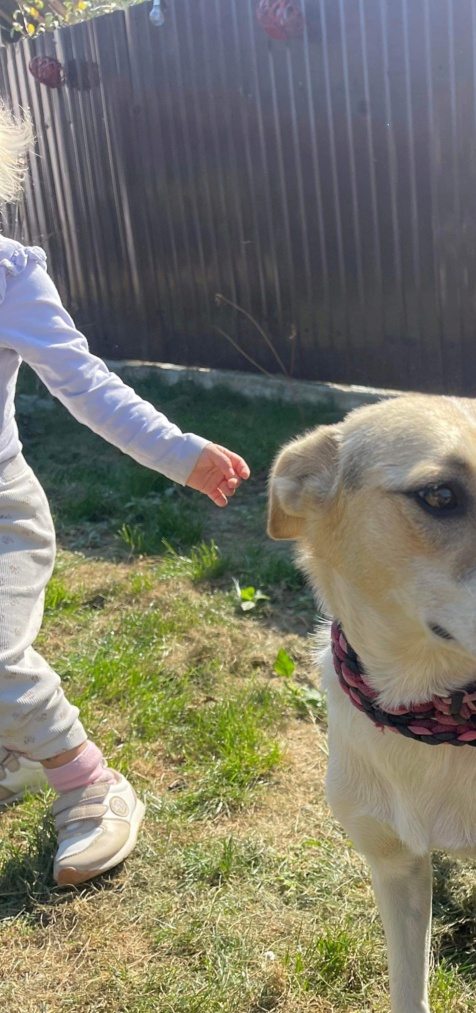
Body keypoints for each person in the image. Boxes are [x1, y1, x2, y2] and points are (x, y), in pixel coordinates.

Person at [0, 103, 249, 885]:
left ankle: (87, 780)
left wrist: (181, 453)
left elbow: (87, 386)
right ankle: (15, 750)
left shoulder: (8, 273)